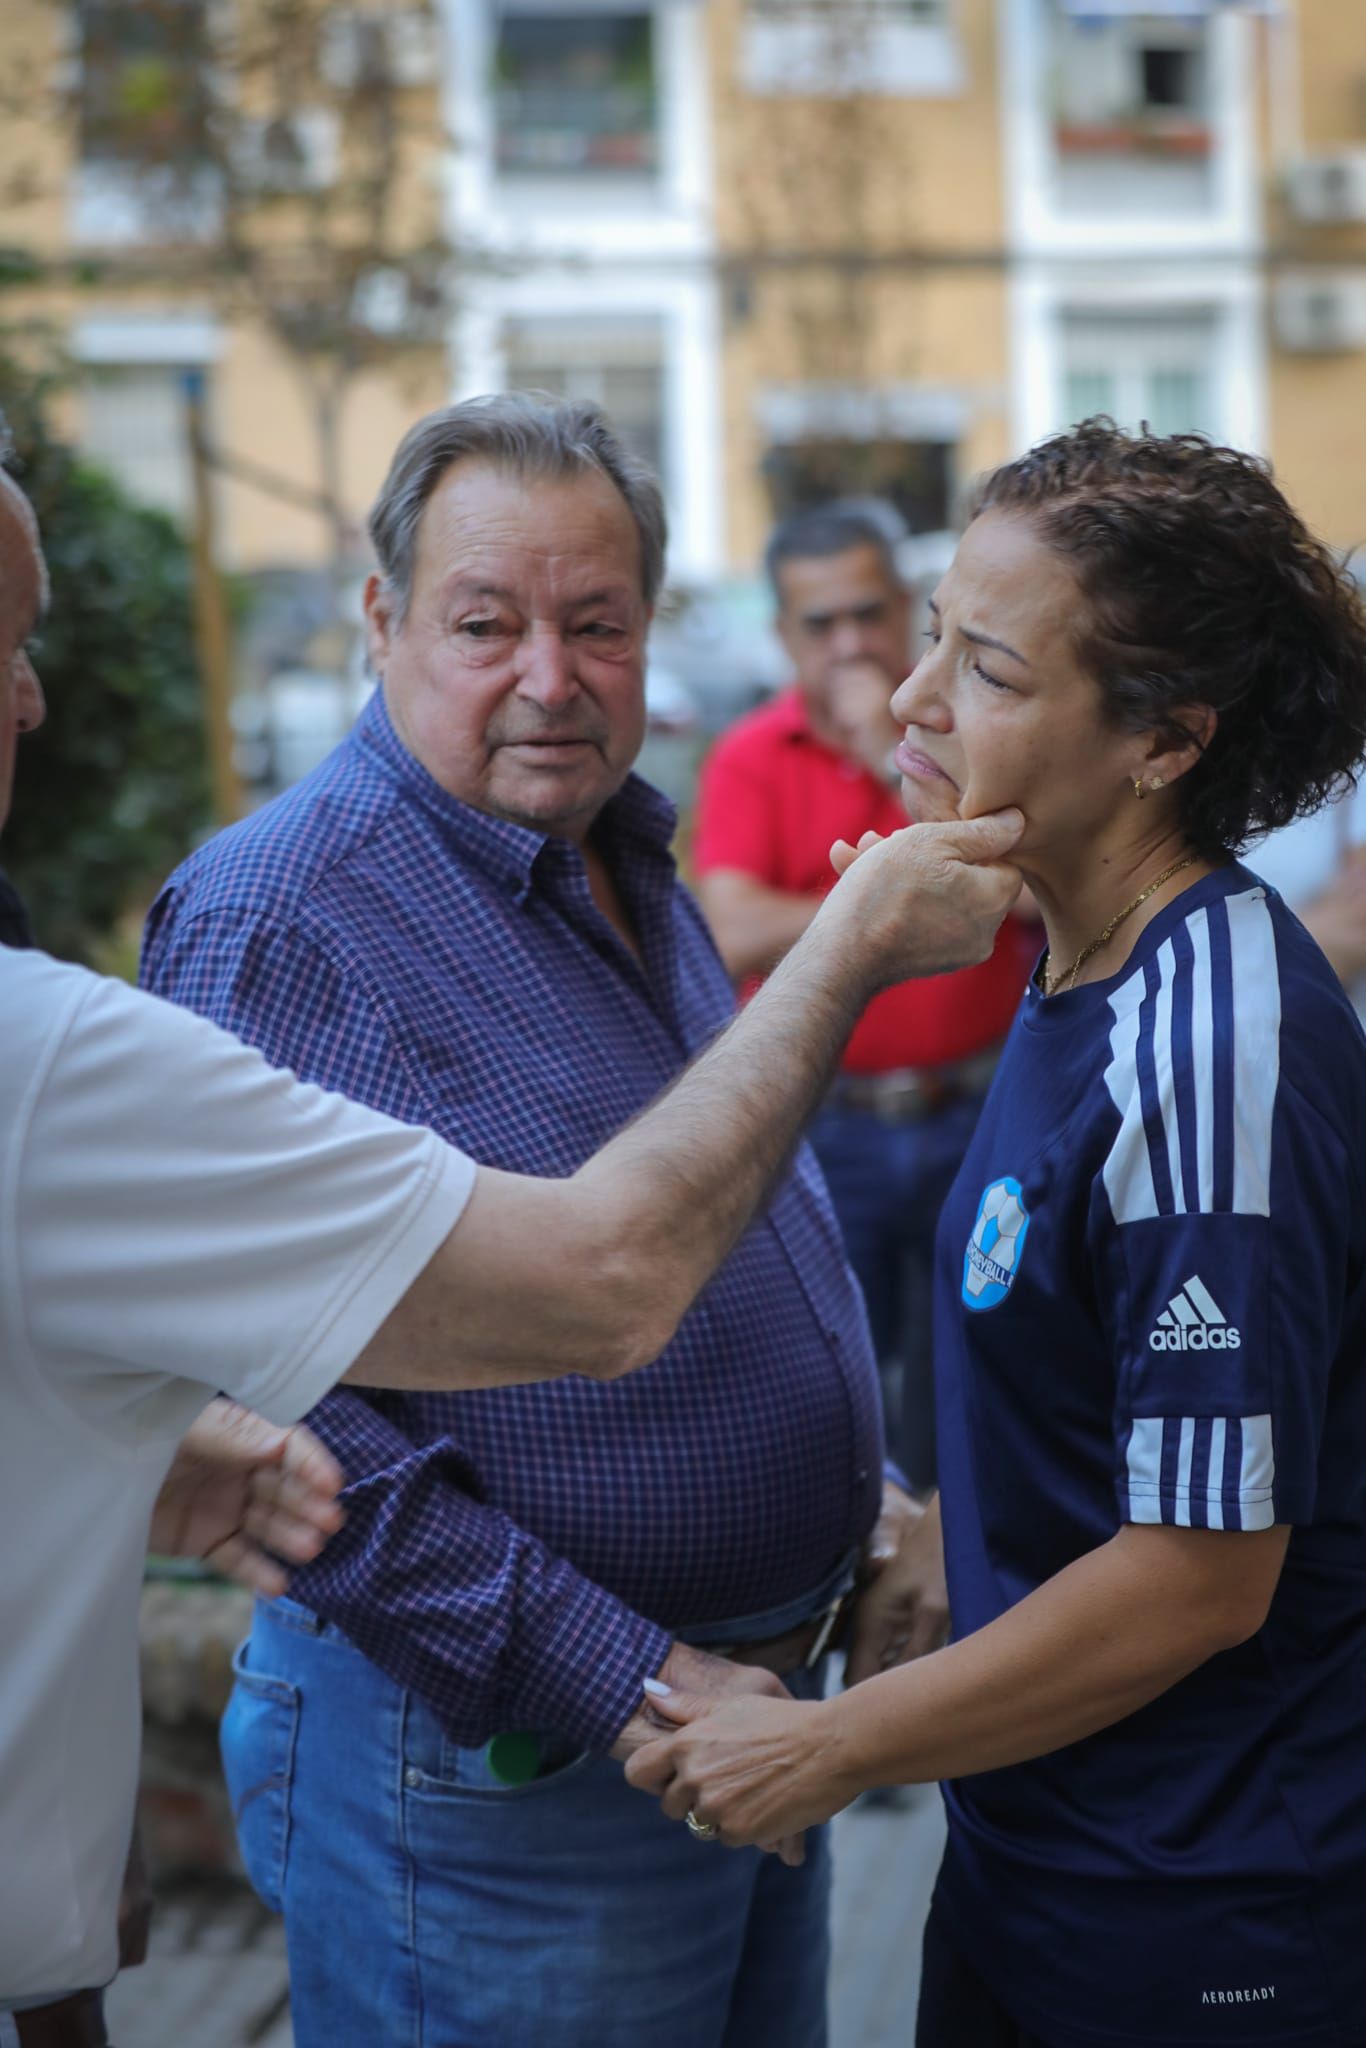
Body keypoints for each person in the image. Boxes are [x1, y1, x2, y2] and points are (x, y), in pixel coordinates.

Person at [0, 450, 1022, 2043]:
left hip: (744, 1738)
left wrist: (862, 1508)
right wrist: (643, 1684)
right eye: (486, 625)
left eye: (598, 623)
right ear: (379, 619)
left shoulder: (614, 839)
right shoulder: (280, 915)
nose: (550, 680)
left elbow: (731, 1228)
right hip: (510, 1793)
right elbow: (316, 1470)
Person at [626, 421, 1366, 2048]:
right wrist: (954, 1528)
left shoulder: (1210, 1041)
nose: (911, 696)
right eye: (936, 631)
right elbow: (1102, 1384)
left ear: (1165, 740)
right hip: (1036, 1859)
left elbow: (1199, 1576)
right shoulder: (1060, 947)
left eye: (991, 669)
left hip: (1198, 1912)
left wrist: (831, 1746)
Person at [694, 500, 1029, 1491]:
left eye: (869, 612)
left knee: (975, 1378)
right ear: (780, 636)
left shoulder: (968, 734)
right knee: (825, 1378)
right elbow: (732, 928)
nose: (849, 642)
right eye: (818, 622)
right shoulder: (752, 755)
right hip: (830, 1124)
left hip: (980, 1105)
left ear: (907, 608)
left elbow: (1006, 882)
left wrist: (895, 765)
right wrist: (890, 898)